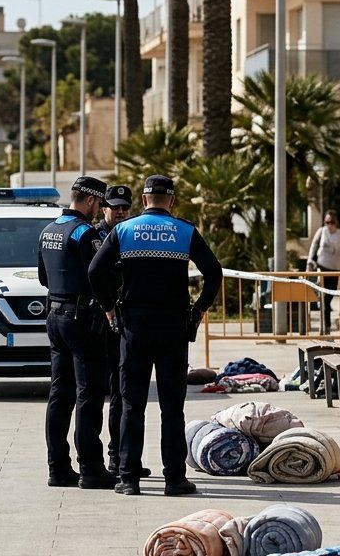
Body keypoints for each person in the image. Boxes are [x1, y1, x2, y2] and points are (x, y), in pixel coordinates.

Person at [88, 175, 222, 497]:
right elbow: (214, 272)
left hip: (134, 328)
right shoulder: (185, 232)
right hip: (173, 328)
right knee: (172, 407)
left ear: (145, 200)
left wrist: (108, 307)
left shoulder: (123, 231)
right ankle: (175, 478)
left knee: (132, 404)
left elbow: (95, 271)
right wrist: (199, 310)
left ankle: (128, 478)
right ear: (171, 201)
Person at [37, 177, 116, 490]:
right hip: (82, 319)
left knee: (60, 393)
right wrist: (108, 304)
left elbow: (44, 277)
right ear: (92, 202)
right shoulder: (84, 233)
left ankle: (57, 468)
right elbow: (101, 275)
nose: (99, 211)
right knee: (89, 393)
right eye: (99, 204)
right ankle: (91, 469)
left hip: (55, 315)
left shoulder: (48, 230)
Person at [96, 184, 136, 479]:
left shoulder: (132, 234)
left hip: (127, 320)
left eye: (125, 207)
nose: (120, 212)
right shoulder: (95, 237)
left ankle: (121, 456)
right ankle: (112, 458)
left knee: (124, 394)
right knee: (109, 392)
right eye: (115, 207)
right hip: (103, 323)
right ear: (103, 208)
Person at [306, 211, 340, 333]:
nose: (329, 225)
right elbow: (313, 246)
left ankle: (325, 324)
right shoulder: (322, 231)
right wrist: (309, 261)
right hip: (322, 266)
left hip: (335, 268)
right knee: (323, 298)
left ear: (336, 222)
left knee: (329, 296)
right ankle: (325, 326)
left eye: (332, 222)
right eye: (327, 222)